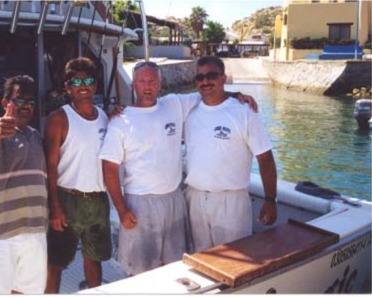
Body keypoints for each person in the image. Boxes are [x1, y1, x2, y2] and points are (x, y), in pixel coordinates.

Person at [99, 61, 258, 276]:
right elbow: (109, 169)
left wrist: (237, 94)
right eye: (142, 81)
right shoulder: (120, 121)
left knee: (175, 267)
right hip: (140, 202)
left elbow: (209, 92)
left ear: (160, 83)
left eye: (152, 81)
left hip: (175, 199)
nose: (147, 86)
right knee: (139, 270)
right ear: (134, 85)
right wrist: (121, 210)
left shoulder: (174, 104)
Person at [183, 55, 278, 253]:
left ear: (223, 78)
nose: (205, 81)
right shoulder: (189, 110)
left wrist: (270, 199)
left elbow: (265, 158)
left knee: (237, 257)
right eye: (200, 78)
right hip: (195, 199)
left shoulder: (244, 112)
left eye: (211, 76)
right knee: (200, 258)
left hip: (231, 203)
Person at [44, 57, 111, 292]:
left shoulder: (104, 116)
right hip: (67, 201)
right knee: (56, 264)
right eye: (76, 81)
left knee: (94, 259)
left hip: (98, 201)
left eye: (89, 80)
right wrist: (55, 207)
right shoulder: (58, 119)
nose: (83, 86)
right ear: (67, 87)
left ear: (95, 85)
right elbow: (50, 167)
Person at [0, 75, 48, 294]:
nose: (25, 106)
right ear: (5, 103)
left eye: (30, 102)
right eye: (19, 100)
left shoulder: (36, 136)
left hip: (35, 232)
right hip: (1, 234)